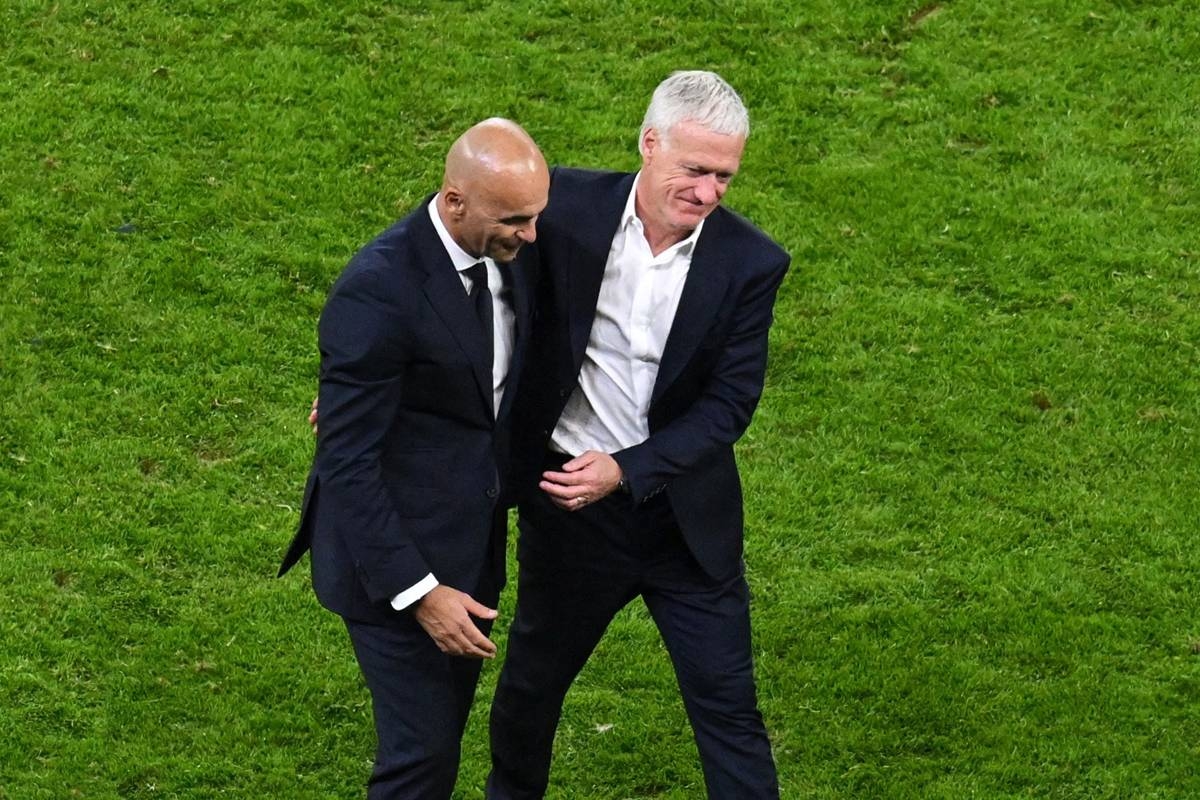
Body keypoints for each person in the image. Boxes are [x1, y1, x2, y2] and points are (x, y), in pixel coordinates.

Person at [486, 71, 790, 799]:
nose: (709, 193)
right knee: (531, 689)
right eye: (695, 170)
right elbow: (449, 246)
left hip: (685, 527)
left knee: (729, 713)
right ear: (650, 144)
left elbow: (729, 405)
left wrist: (626, 468)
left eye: (724, 177)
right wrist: (367, 379)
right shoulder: (562, 206)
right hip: (572, 515)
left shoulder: (751, 262)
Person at [278, 118, 549, 799]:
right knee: (422, 759)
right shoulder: (378, 290)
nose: (533, 235)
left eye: (537, 214)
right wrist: (421, 594)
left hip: (471, 550)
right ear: (455, 202)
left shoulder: (508, 237)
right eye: (515, 220)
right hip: (392, 564)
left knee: (438, 744)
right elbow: (347, 463)